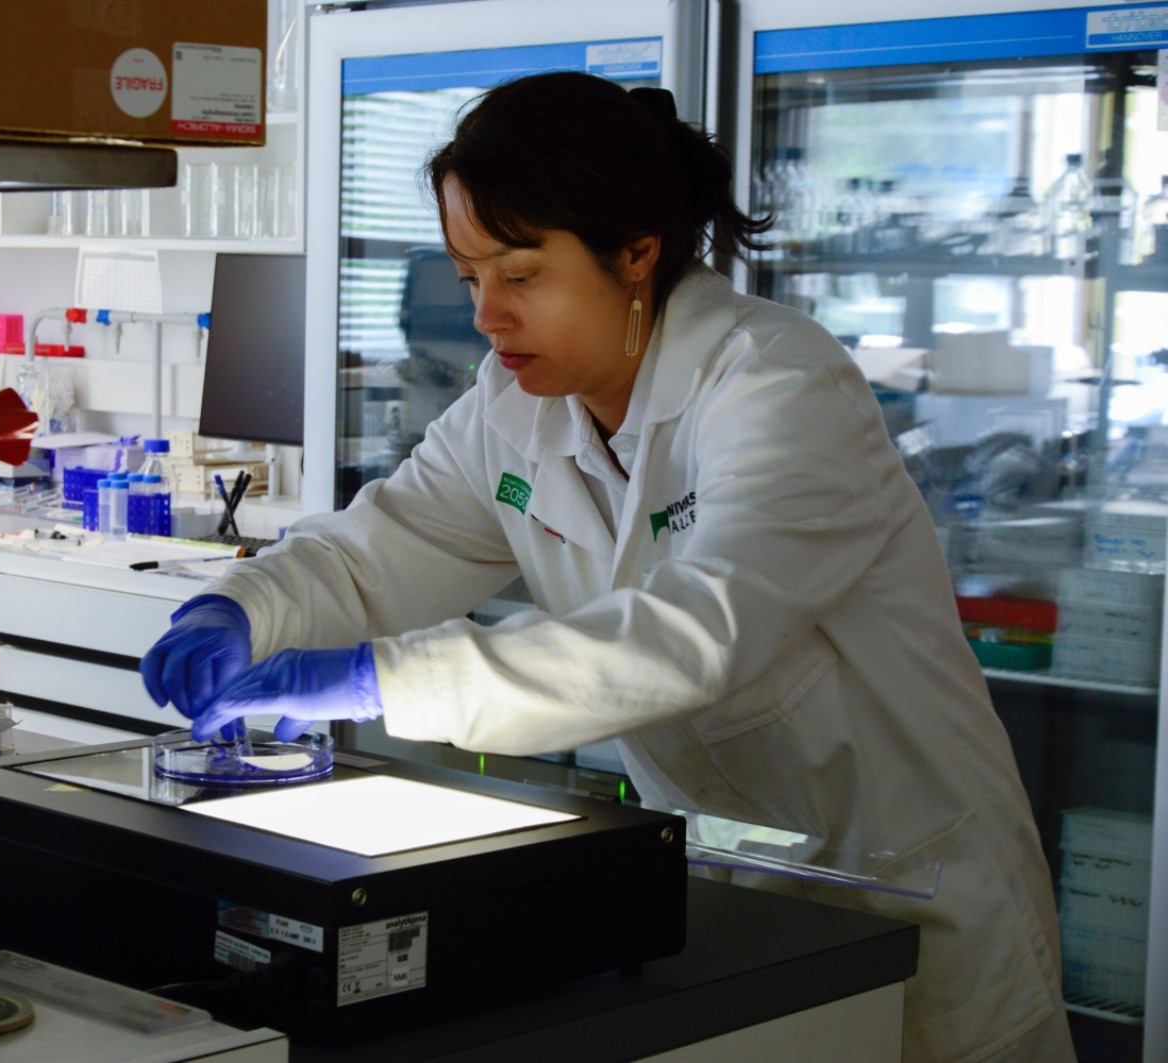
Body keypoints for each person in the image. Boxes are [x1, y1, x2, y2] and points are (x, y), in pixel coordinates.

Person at [140, 72, 1074, 1063]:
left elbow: (698, 632)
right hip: (724, 896)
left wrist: (383, 678)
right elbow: (376, 551)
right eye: (469, 277)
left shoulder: (777, 384)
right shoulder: (513, 409)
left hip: (913, 904)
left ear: (635, 252)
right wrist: (241, 609)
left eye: (519, 275)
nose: (486, 316)